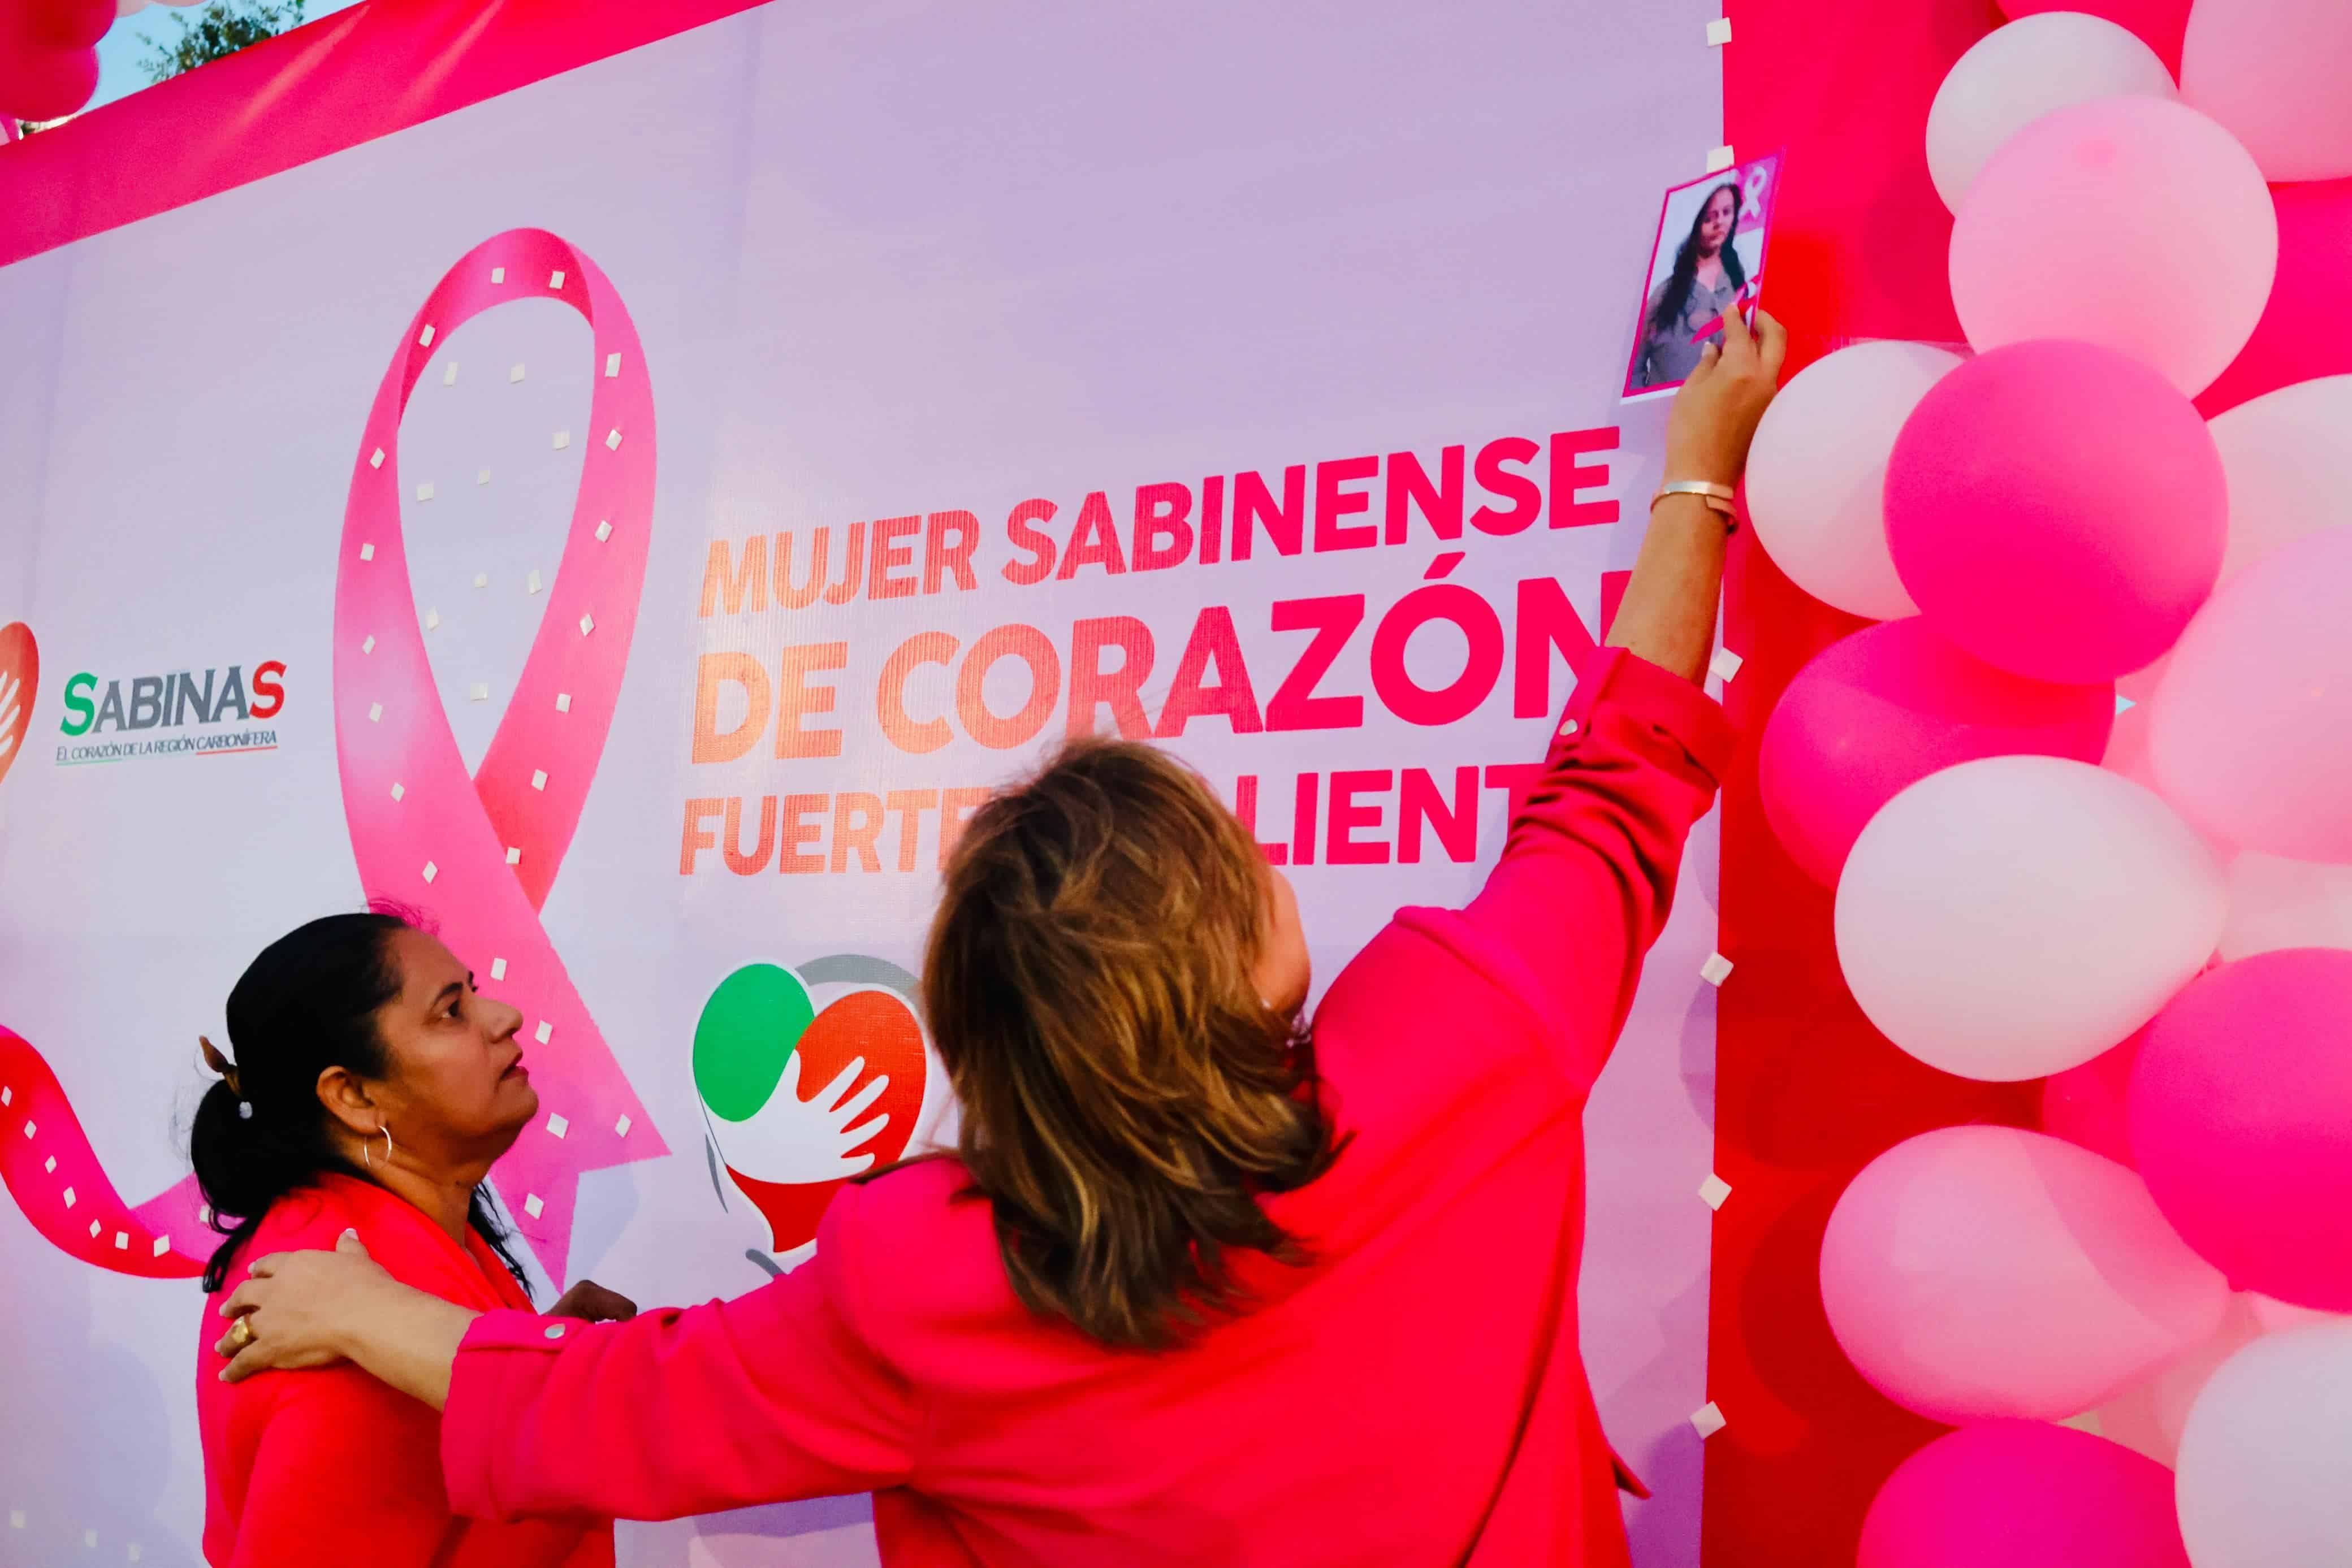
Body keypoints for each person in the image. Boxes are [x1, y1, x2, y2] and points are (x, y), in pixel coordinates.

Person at [211, 309, 1789, 1567]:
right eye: (1236, 858)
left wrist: (370, 1312)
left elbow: (636, 1407)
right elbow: (1615, 790)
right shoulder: (1461, 1043)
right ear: (1237, 957)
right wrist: (1698, 477)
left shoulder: (934, 1278)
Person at [191, 909, 638, 1568]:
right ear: (353, 1094)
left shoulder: (366, 1254)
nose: (505, 1016)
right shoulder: (345, 1308)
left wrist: (532, 1367)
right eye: (451, 1011)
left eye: (473, 991)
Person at [1633, 181, 1748, 391]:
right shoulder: (1663, 296)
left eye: (1726, 212)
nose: (1719, 223)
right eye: (1709, 217)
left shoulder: (1741, 285)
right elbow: (1635, 369)